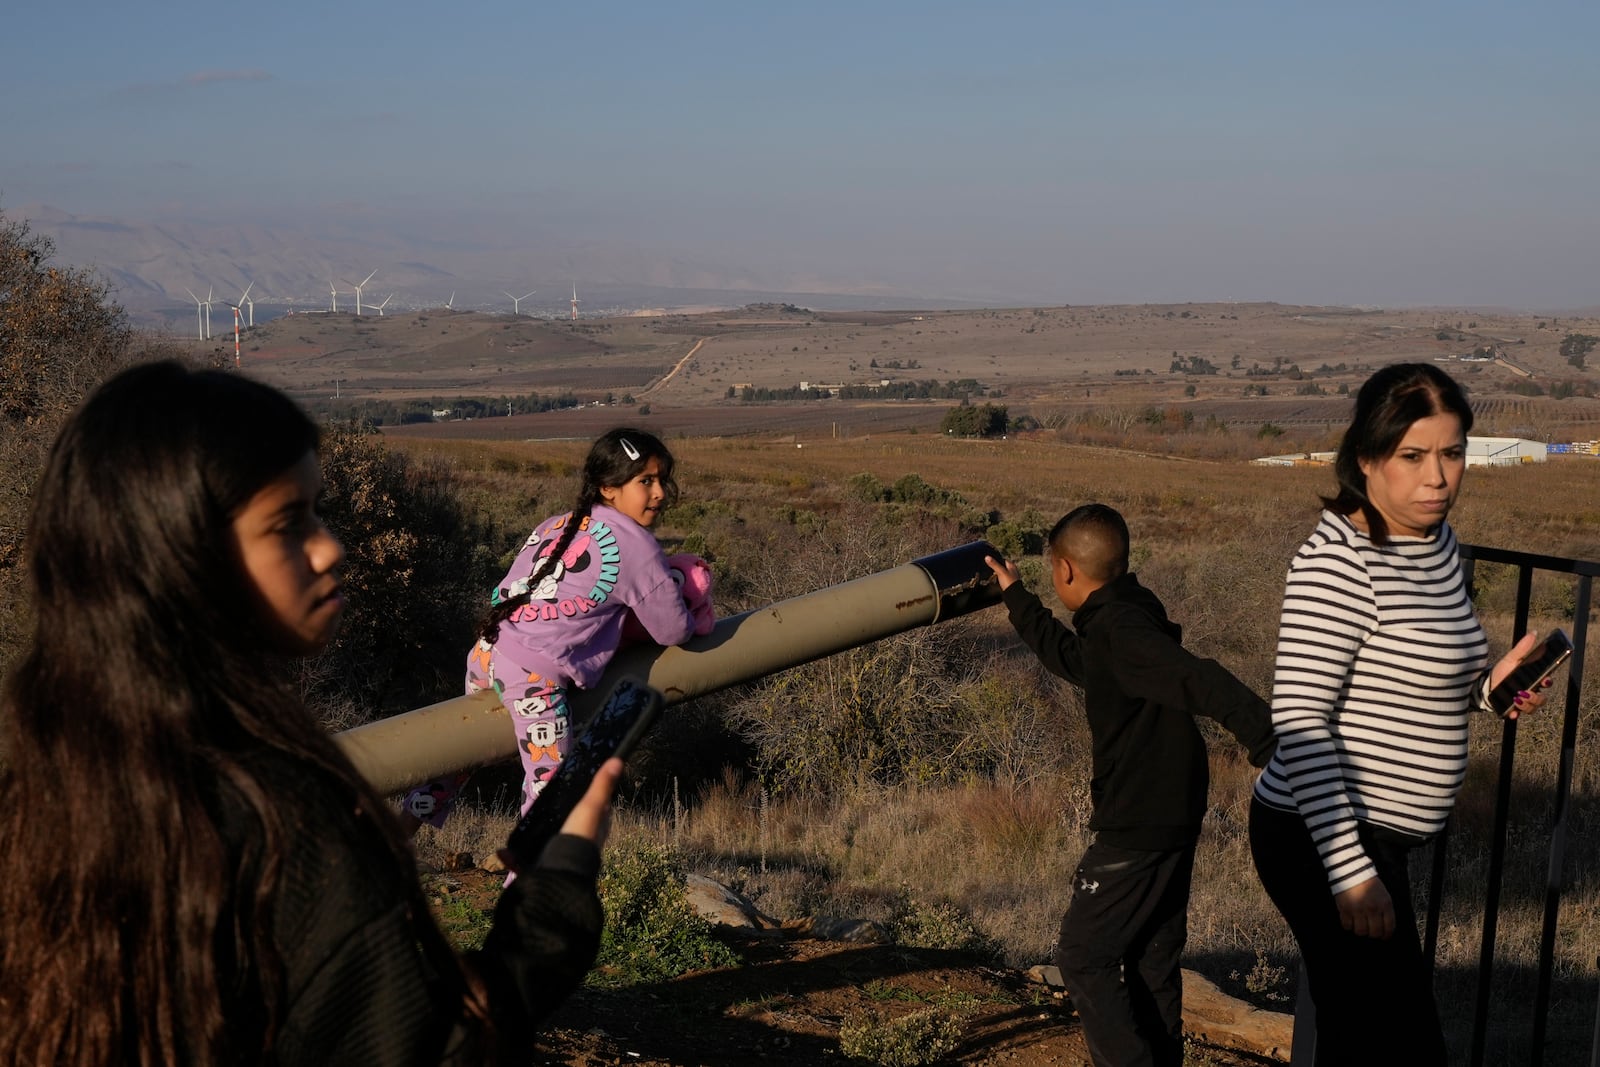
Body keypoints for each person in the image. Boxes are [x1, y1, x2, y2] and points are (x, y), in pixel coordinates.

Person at [0, 360, 618, 1066]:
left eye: (318, 511)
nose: (330, 547)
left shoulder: (51, 789)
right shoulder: (286, 825)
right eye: (288, 523)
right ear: (181, 557)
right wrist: (559, 878)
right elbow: (437, 1048)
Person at [1248, 362, 1547, 1066]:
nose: (1438, 477)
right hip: (1321, 834)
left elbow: (1425, 669)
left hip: (1377, 840)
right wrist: (1350, 871)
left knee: (1365, 1036)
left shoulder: (1436, 545)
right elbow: (1299, 721)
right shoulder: (1337, 562)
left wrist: (1489, 686)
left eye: (1452, 452)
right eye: (1413, 456)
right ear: (1365, 459)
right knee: (1395, 1041)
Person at [985, 505, 1277, 1067]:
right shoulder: (1122, 617)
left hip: (1139, 818)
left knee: (1083, 956)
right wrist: (1017, 598)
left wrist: (1269, 742)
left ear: (1067, 570)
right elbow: (1075, 660)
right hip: (1173, 808)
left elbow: (1200, 676)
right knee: (1151, 957)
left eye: (1051, 571)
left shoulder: (1121, 629)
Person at [403, 428, 708, 829]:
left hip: (487, 650)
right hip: (533, 677)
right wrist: (688, 592)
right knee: (551, 798)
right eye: (645, 481)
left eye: (662, 479)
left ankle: (397, 832)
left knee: (462, 755)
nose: (660, 493)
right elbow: (673, 631)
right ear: (608, 487)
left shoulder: (560, 524)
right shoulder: (638, 547)